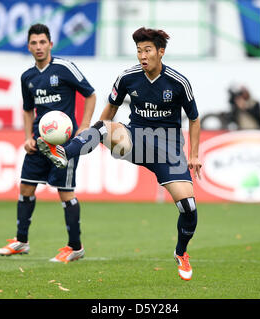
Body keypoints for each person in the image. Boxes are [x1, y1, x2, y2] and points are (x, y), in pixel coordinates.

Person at [37, 27, 201, 280]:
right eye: (138, 51)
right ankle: (64, 153)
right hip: (136, 139)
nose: (142, 56)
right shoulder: (127, 78)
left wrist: (194, 154)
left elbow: (194, 118)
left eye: (147, 50)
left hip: (168, 149)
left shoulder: (178, 82)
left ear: (161, 52)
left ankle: (181, 253)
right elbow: (109, 110)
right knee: (103, 126)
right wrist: (95, 137)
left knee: (188, 207)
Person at [0, 24, 96, 264]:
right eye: (34, 43)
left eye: (42, 42)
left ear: (50, 44)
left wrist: (84, 126)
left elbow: (90, 94)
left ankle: (75, 247)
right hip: (39, 143)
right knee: (26, 188)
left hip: (65, 143)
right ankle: (21, 241)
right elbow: (28, 109)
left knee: (65, 192)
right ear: (28, 46)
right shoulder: (27, 77)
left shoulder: (64, 68)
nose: (38, 47)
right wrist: (27, 137)